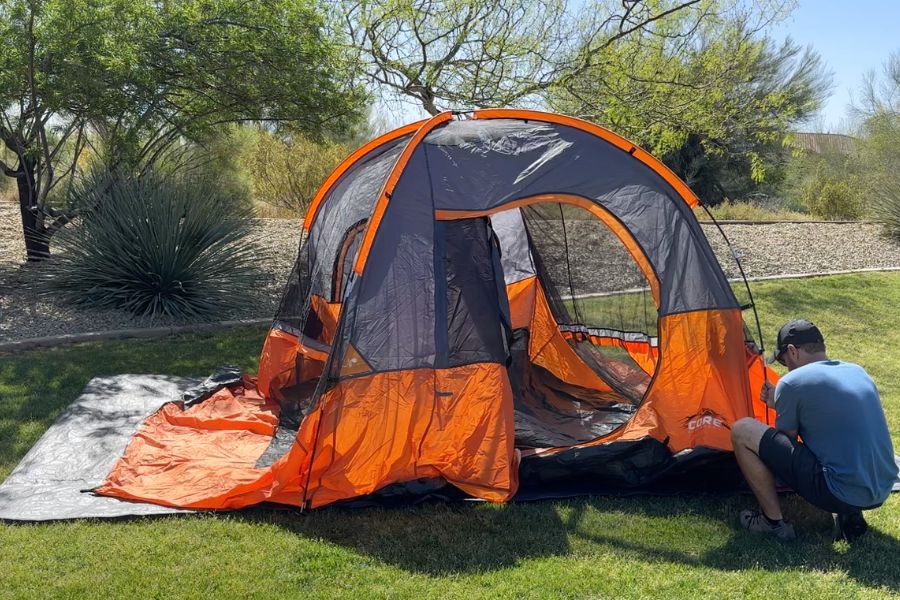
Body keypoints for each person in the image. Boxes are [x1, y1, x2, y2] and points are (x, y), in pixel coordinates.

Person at [731, 319, 898, 542]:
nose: (786, 368)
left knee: (742, 430)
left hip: (838, 492)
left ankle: (772, 522)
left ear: (792, 351)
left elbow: (785, 444)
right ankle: (851, 517)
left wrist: (781, 401)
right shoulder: (858, 372)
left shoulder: (791, 382)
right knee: (837, 437)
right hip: (882, 488)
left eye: (783, 360)